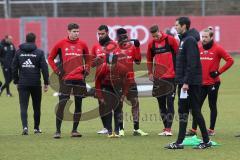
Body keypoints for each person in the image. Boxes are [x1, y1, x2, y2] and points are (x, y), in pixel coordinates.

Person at [165, 17, 212, 149]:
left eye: (177, 25)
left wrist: (186, 82)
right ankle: (179, 142)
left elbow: (192, 63)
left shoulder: (189, 41)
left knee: (195, 111)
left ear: (184, 26)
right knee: (182, 111)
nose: (175, 27)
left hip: (190, 84)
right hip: (183, 83)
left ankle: (206, 141)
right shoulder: (183, 40)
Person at [186, 27, 234, 136]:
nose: (203, 39)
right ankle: (193, 129)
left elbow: (230, 61)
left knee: (212, 106)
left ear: (212, 37)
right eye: (202, 37)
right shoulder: (199, 48)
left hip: (213, 83)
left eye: (206, 37)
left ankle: (211, 130)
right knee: (196, 106)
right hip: (200, 84)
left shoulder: (218, 49)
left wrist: (218, 72)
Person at [48, 23, 91, 139]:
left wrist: (87, 68)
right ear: (68, 31)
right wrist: (57, 71)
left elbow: (88, 59)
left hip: (79, 80)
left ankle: (75, 130)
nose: (76, 33)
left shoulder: (83, 44)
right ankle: (57, 131)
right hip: (65, 79)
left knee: (78, 105)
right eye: (74, 31)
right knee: (62, 105)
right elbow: (50, 58)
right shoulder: (60, 44)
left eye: (78, 31)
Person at [12, 32, 49, 135]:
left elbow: (14, 67)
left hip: (23, 83)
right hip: (36, 83)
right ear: (34, 40)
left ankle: (25, 127)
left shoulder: (19, 52)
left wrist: (16, 81)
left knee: (23, 106)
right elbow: (44, 69)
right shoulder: (39, 52)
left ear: (26, 39)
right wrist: (46, 83)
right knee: (36, 106)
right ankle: (36, 128)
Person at [114, 28, 148, 136]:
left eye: (126, 36)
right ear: (118, 37)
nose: (125, 38)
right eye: (122, 36)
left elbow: (137, 62)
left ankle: (136, 129)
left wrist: (137, 47)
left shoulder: (132, 47)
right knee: (119, 105)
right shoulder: (113, 49)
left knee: (135, 102)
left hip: (131, 81)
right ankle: (120, 129)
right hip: (118, 82)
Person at [147, 25, 179, 136]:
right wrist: (150, 73)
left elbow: (179, 55)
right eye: (153, 36)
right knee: (161, 104)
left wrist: (179, 72)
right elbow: (149, 59)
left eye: (156, 35)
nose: (155, 38)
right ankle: (165, 128)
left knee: (170, 102)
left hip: (171, 77)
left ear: (160, 32)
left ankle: (169, 129)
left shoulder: (171, 40)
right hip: (158, 78)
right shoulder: (151, 44)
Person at [95, 53, 130, 138]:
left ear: (116, 62)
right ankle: (109, 131)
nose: (110, 66)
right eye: (108, 64)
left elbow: (126, 83)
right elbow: (97, 83)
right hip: (105, 87)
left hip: (117, 87)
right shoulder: (101, 68)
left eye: (112, 64)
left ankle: (117, 131)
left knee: (118, 108)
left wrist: (123, 95)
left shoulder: (123, 69)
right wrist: (100, 97)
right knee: (108, 108)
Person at [91, 25, 117, 134]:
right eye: (99, 34)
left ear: (107, 33)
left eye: (102, 34)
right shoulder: (95, 46)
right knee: (102, 104)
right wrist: (94, 62)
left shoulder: (114, 45)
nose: (100, 36)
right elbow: (91, 63)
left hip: (113, 80)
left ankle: (117, 128)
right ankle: (106, 128)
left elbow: (119, 61)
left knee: (114, 104)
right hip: (100, 79)